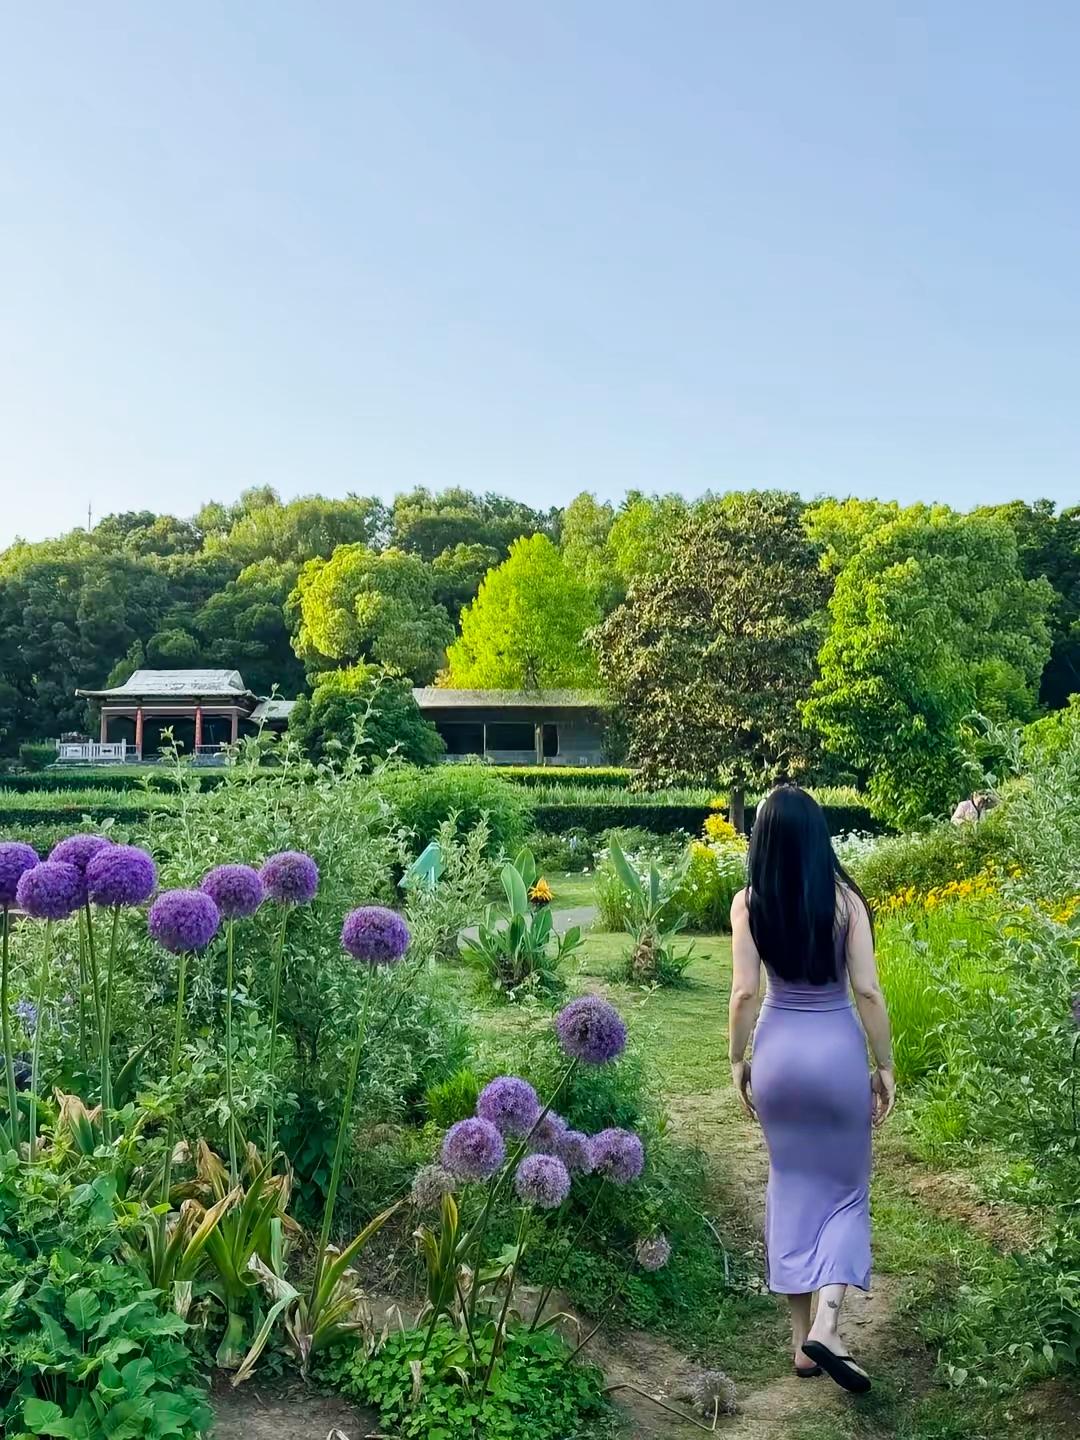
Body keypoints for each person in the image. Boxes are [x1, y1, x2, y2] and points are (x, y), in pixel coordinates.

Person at [728, 785, 895, 1394]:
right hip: (834, 1054)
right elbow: (869, 993)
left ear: (762, 841)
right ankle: (828, 1321)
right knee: (847, 1194)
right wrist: (885, 1066)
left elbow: (744, 992)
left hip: (778, 1052)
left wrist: (737, 1061)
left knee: (790, 1187)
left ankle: (801, 1345)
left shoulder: (748, 903)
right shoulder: (847, 902)